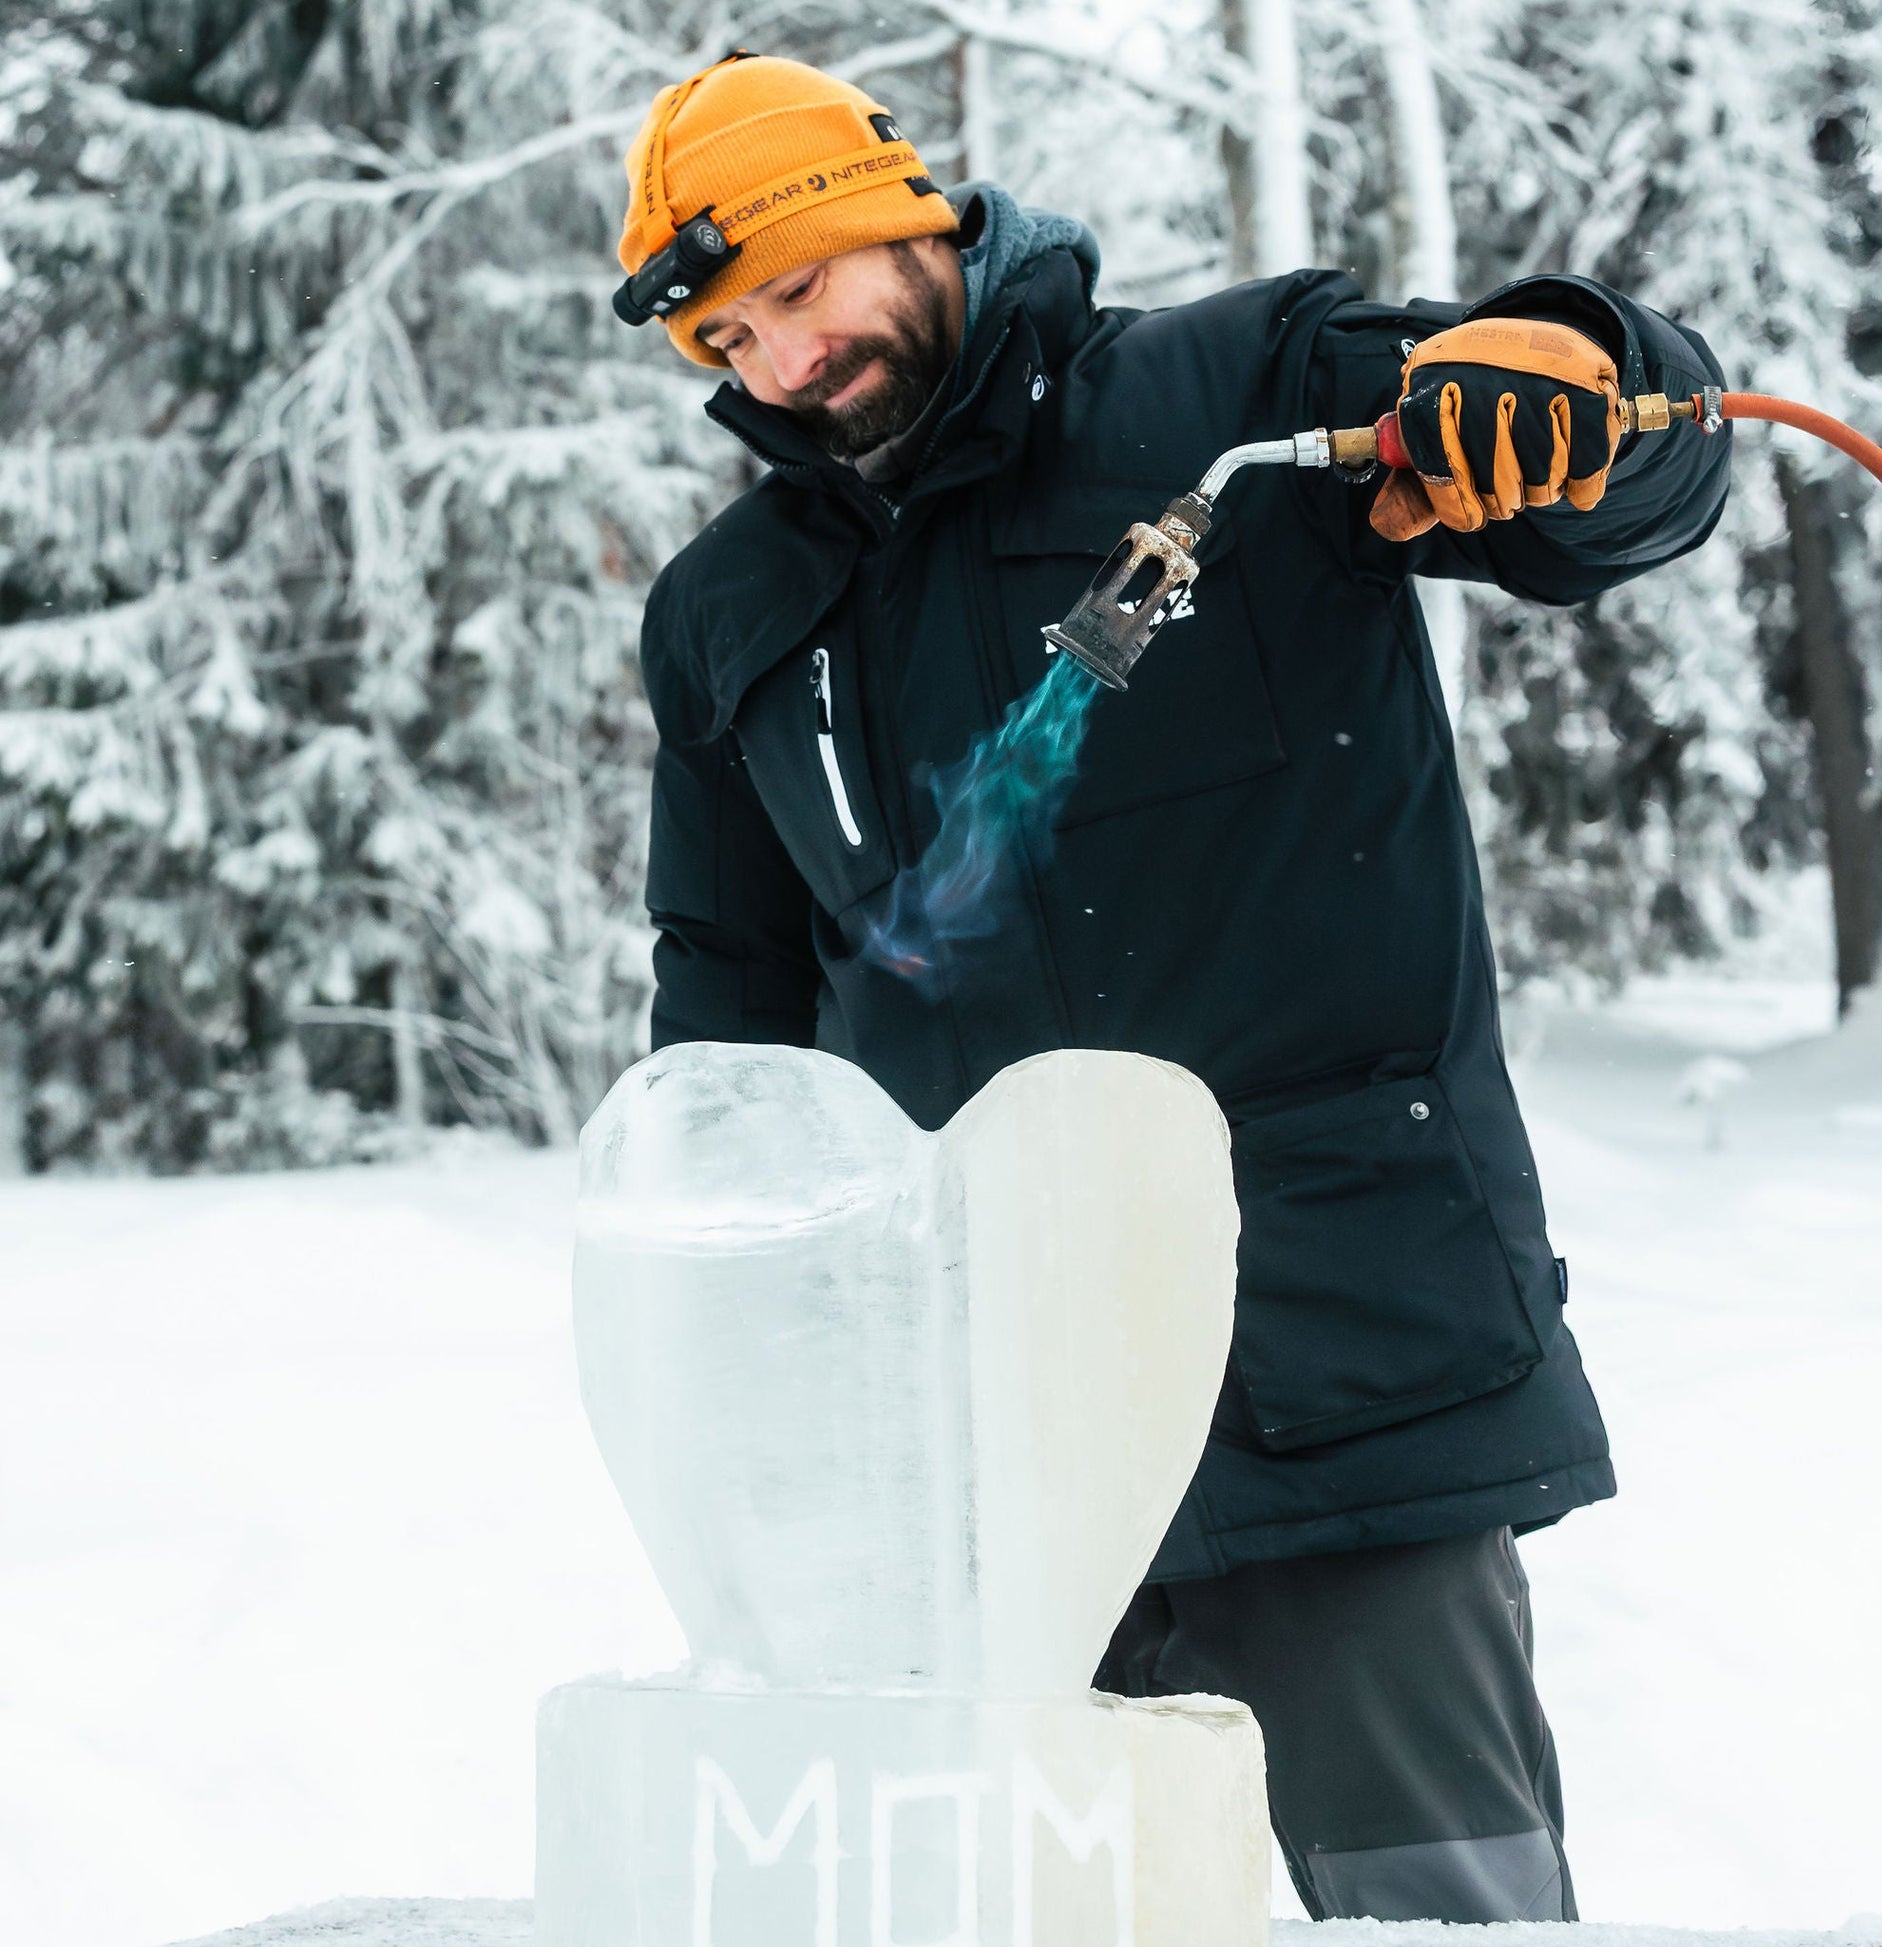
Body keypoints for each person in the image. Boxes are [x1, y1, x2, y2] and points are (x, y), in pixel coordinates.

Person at [619, 52, 1731, 1923]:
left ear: (901, 212)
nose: (780, 365)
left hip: (1333, 1369)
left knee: (1426, 1910)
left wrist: (1572, 371)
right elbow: (731, 1023)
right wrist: (763, 1387)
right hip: (981, 1465)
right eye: (731, 341)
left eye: (799, 292)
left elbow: (1611, 463)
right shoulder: (729, 612)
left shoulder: (1238, 392)